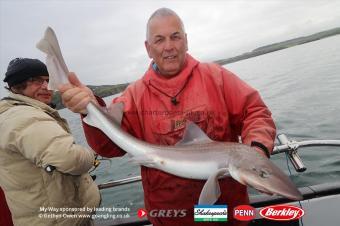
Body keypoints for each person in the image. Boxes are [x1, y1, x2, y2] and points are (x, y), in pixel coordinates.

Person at [59, 8, 276, 226]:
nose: (169, 46)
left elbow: (256, 112)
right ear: (148, 48)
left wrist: (256, 154)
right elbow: (108, 148)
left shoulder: (216, 77)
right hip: (172, 217)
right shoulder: (134, 96)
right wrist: (89, 110)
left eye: (175, 37)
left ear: (186, 40)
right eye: (159, 40)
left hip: (224, 212)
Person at [0, 58, 100, 226]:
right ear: (17, 86)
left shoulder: (14, 114)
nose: (47, 86)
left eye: (47, 80)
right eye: (36, 81)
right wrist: (91, 155)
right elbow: (71, 159)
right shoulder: (23, 117)